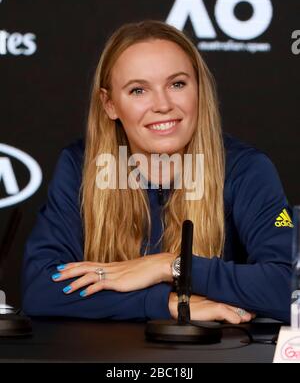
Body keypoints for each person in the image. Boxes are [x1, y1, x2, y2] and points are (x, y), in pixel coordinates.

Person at [22, 20, 292, 324]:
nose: (162, 105)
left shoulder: (246, 169)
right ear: (110, 104)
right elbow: (41, 288)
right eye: (138, 90)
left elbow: (288, 289)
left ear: (199, 89)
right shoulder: (80, 166)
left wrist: (170, 266)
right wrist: (166, 303)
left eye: (177, 84)